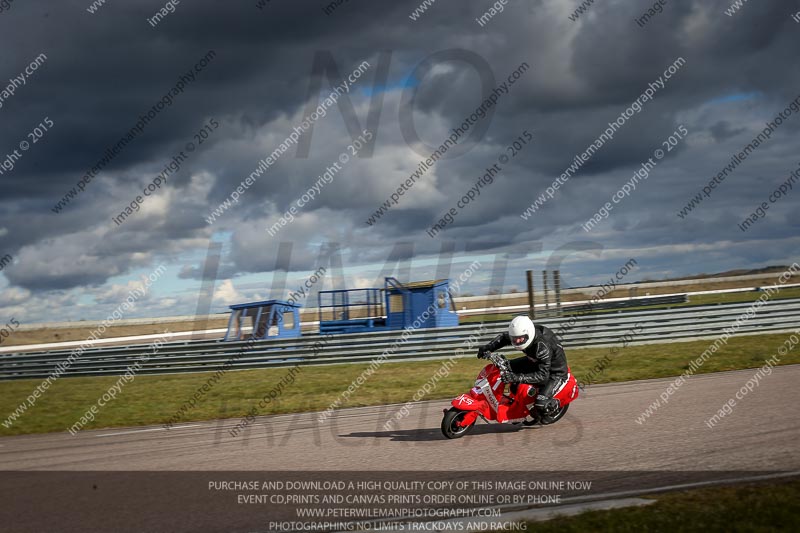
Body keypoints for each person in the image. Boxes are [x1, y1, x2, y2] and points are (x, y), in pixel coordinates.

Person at [477, 315, 568, 417]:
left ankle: (554, 404)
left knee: (540, 404)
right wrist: (488, 347)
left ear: (529, 334)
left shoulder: (542, 347)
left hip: (554, 373)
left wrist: (517, 377)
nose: (517, 341)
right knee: (505, 366)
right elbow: (503, 338)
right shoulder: (521, 333)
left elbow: (543, 375)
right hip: (535, 361)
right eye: (514, 338)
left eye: (520, 338)